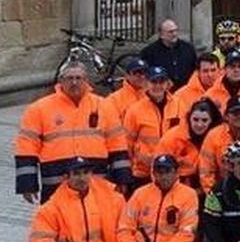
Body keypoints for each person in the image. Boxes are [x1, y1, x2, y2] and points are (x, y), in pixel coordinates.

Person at [15, 61, 130, 202]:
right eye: (69, 78)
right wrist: (27, 184)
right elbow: (26, 148)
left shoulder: (104, 106)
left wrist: (122, 178)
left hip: (96, 181)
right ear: (60, 81)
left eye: (78, 78)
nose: (74, 82)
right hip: (56, 181)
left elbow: (117, 144)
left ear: (86, 80)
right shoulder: (38, 109)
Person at [24, 158, 127, 242]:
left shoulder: (114, 199)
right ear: (66, 177)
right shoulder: (52, 207)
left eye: (86, 172)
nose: (82, 178)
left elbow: (127, 231)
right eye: (77, 174)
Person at [118, 154, 200, 242]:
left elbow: (187, 233)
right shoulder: (140, 194)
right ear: (153, 173)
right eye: (159, 172)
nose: (163, 176)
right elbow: (124, 229)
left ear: (176, 172)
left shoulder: (188, 195)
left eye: (168, 171)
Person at [121, 66, 177, 191]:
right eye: (154, 82)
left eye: (161, 82)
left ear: (167, 84)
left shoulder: (179, 106)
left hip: (172, 172)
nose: (158, 86)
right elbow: (127, 144)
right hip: (143, 173)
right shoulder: (134, 110)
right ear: (146, 83)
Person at [157, 99, 220, 194]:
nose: (199, 124)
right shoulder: (172, 137)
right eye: (195, 119)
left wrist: (211, 194)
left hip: (210, 187)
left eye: (204, 120)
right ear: (189, 118)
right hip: (177, 189)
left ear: (211, 121)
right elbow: (157, 168)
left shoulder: (217, 137)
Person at [138, 19, 198, 89]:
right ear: (161, 35)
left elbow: (195, 70)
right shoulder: (149, 52)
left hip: (186, 90)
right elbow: (145, 74)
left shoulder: (188, 49)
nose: (174, 34)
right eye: (170, 32)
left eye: (176, 30)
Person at [101, 58, 150, 139]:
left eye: (145, 73)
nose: (142, 76)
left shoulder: (152, 96)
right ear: (127, 75)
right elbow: (111, 129)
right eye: (137, 73)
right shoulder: (113, 100)